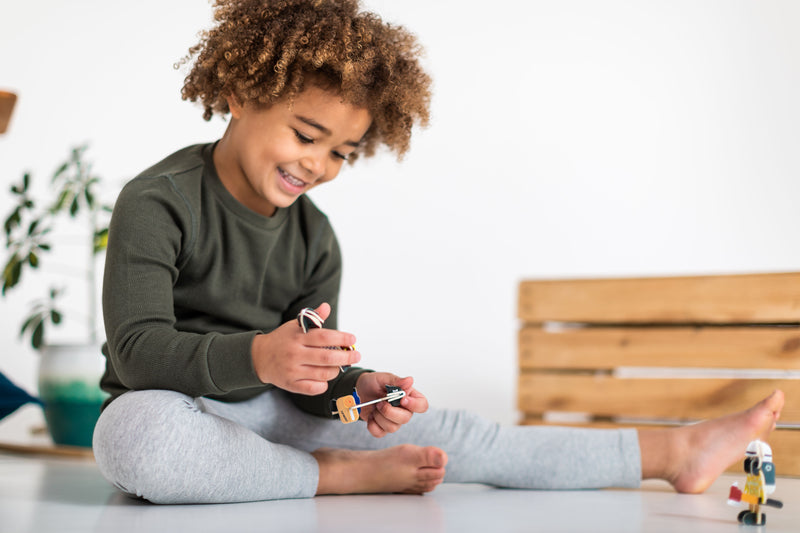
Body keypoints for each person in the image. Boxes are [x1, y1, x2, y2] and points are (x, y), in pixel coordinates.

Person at [92, 0, 785, 504]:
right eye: (307, 135)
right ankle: (336, 477)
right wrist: (257, 357)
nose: (319, 165)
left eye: (341, 152)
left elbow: (311, 382)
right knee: (131, 435)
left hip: (270, 416)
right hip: (182, 412)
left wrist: (354, 391)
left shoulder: (314, 236)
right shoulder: (158, 201)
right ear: (242, 93)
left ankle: (673, 450)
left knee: (448, 428)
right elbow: (137, 350)